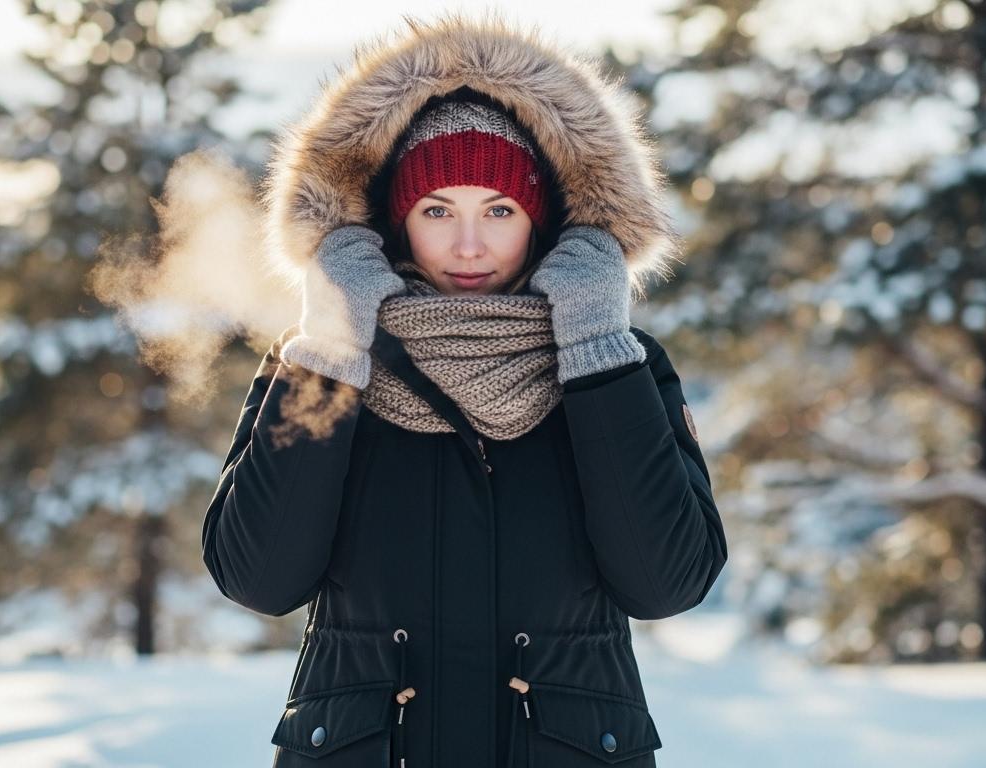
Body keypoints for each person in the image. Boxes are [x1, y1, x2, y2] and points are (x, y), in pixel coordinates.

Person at [202, 15, 729, 768]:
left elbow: (665, 583)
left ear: (542, 223)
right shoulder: (316, 359)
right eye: (438, 210)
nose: (470, 245)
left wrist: (596, 348)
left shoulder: (622, 364)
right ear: (397, 221)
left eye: (500, 210)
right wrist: (331, 347)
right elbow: (258, 577)